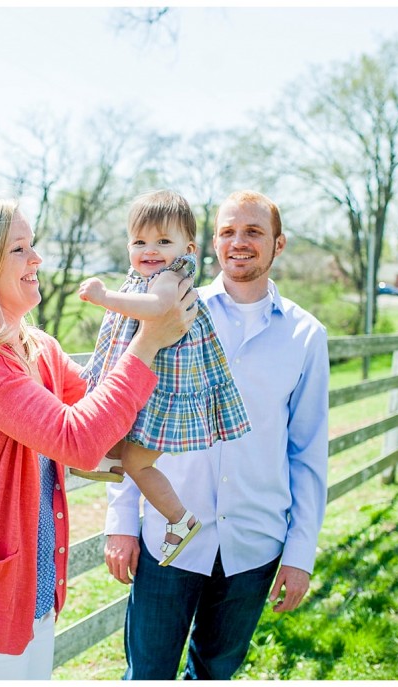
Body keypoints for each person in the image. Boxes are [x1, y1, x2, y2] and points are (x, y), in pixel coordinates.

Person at [0, 196, 197, 680]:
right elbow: (79, 439)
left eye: (32, 245)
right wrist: (148, 340)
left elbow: (106, 417)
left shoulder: (37, 347)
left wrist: (177, 357)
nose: (37, 259)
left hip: (31, 591)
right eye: (20, 249)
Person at [103, 190, 330, 680]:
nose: (239, 242)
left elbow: (307, 453)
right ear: (211, 243)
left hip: (255, 541)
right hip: (171, 536)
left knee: (214, 676)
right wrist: (121, 519)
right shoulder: (174, 308)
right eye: (228, 231)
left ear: (278, 244)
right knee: (147, 675)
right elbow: (131, 416)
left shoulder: (306, 336)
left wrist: (300, 554)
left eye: (253, 232)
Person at [71, 190, 250, 567]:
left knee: (138, 462)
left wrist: (105, 297)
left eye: (163, 241)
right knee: (125, 444)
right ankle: (108, 463)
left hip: (163, 395)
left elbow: (156, 308)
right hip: (144, 386)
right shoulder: (144, 276)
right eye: (140, 242)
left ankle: (179, 518)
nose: (150, 250)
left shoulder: (170, 278)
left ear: (187, 248)